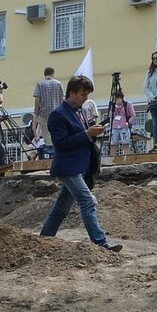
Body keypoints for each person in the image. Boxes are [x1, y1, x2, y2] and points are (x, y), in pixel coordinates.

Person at [36, 75, 121, 251]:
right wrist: (88, 133)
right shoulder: (58, 115)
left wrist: (91, 133)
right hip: (68, 168)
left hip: (78, 167)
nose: (85, 98)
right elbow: (60, 143)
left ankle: (43, 241)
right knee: (88, 201)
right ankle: (100, 243)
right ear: (72, 93)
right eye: (83, 94)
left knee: (61, 209)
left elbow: (79, 137)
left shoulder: (79, 111)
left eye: (87, 94)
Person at [32, 67, 64, 135]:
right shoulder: (58, 83)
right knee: (56, 133)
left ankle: (49, 144)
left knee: (46, 135)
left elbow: (37, 98)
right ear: (53, 74)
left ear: (44, 74)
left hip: (44, 113)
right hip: (57, 113)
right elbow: (62, 98)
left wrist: (36, 110)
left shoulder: (40, 84)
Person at [104, 89, 135, 158]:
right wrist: (115, 109)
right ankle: (112, 159)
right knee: (113, 144)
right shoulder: (113, 105)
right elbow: (110, 116)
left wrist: (128, 123)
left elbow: (133, 115)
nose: (116, 100)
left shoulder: (127, 104)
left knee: (125, 144)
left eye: (117, 98)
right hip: (114, 127)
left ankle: (128, 158)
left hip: (124, 126)